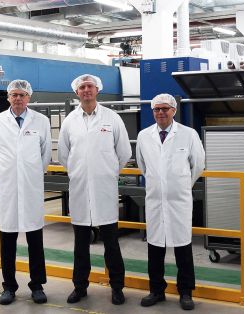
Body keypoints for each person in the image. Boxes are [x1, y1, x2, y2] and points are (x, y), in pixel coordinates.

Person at [58, 74, 132, 305]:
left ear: (97, 90)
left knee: (111, 243)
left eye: (90, 86)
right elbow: (63, 154)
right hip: (80, 189)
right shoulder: (70, 120)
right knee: (81, 244)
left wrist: (107, 172)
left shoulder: (112, 118)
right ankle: (80, 287)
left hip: (104, 189)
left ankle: (117, 287)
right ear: (76, 92)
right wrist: (81, 172)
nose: (86, 90)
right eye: (82, 87)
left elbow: (124, 153)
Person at [135, 93, 205, 311]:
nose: (160, 113)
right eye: (156, 109)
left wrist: (181, 184)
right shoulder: (144, 136)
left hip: (179, 200)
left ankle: (185, 292)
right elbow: (143, 166)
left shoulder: (188, 134)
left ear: (174, 110)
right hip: (155, 200)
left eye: (165, 108)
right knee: (155, 247)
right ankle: (157, 290)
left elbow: (198, 165)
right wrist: (160, 185)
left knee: (183, 247)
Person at [0, 79, 52, 305]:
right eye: (14, 94)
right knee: (8, 239)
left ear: (29, 98)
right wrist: (8, 173)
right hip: (8, 189)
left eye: (22, 95)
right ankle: (9, 287)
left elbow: (45, 155)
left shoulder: (41, 121)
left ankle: (37, 285)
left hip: (31, 187)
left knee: (35, 239)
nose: (18, 98)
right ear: (8, 97)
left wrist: (31, 173)